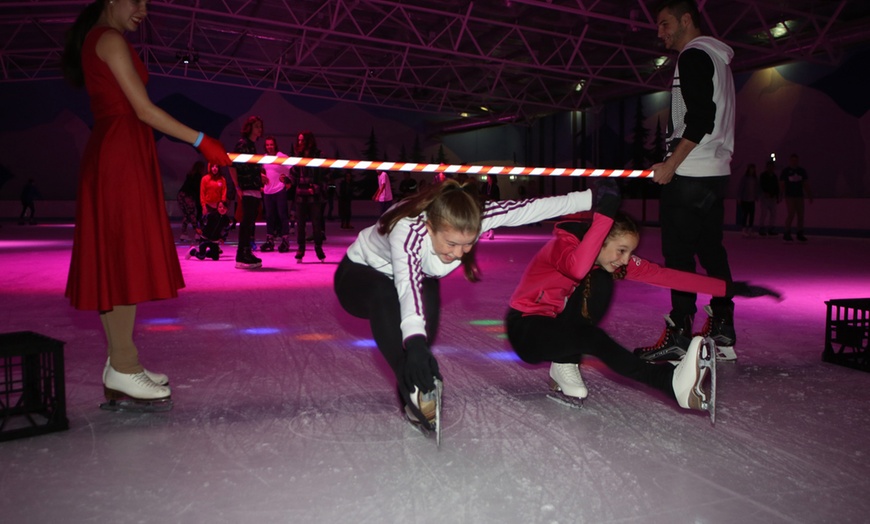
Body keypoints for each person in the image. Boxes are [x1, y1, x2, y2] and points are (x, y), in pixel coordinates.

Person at [61, 0, 230, 410]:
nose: (144, 9)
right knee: (123, 257)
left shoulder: (99, 38)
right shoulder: (110, 39)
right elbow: (144, 110)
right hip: (120, 152)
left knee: (116, 257)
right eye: (136, 0)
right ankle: (123, 363)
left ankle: (121, 363)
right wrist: (200, 140)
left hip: (118, 148)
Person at [333, 180, 595, 431]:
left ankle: (418, 386)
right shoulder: (408, 230)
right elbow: (407, 286)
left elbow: (529, 208)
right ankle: (412, 385)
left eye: (468, 244)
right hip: (358, 277)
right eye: (452, 244)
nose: (459, 254)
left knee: (426, 313)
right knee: (389, 300)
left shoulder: (473, 216)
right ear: (430, 228)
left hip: (415, 277)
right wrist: (414, 343)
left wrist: (591, 199)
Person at [506, 199, 780, 410]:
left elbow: (668, 276)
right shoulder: (561, 247)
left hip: (560, 326)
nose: (626, 260)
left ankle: (563, 360)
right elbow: (576, 268)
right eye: (621, 250)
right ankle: (666, 381)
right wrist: (604, 215)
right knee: (592, 332)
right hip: (526, 327)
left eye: (630, 252)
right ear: (599, 240)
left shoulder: (610, 261)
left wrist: (730, 289)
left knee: (602, 279)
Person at [636, 0, 737, 362]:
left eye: (665, 24)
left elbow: (701, 119)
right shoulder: (717, 59)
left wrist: (671, 164)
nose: (660, 33)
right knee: (711, 251)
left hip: (691, 173)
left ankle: (680, 332)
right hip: (715, 173)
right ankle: (723, 326)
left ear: (686, 20)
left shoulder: (693, 55)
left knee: (678, 256)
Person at [228, 115, 266, 269]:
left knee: (250, 222)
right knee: (246, 222)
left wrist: (260, 176)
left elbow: (250, 168)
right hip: (247, 188)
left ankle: (246, 251)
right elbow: (232, 165)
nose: (259, 129)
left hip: (254, 187)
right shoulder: (243, 144)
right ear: (249, 128)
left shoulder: (251, 145)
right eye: (256, 126)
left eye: (260, 126)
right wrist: (238, 187)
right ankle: (241, 254)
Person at [291, 131, 326, 262]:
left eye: (302, 140)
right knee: (300, 224)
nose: (300, 143)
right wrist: (287, 180)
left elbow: (325, 174)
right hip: (301, 194)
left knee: (316, 223)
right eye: (299, 140)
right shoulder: (298, 156)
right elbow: (294, 173)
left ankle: (318, 248)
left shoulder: (319, 155)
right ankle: (301, 249)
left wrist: (318, 186)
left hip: (314, 195)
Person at [260, 136, 292, 253]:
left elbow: (293, 168)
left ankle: (285, 240)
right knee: (269, 216)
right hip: (267, 191)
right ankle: (270, 240)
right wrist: (261, 176)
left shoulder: (281, 156)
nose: (269, 147)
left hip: (279, 190)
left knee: (282, 215)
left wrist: (287, 179)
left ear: (275, 145)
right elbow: (261, 171)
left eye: (271, 144)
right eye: (267, 145)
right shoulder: (264, 158)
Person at [780, 154, 812, 242]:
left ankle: (799, 232)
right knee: (791, 213)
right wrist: (781, 194)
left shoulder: (801, 171)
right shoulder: (786, 171)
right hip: (790, 196)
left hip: (799, 196)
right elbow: (782, 184)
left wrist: (809, 194)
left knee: (801, 215)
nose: (794, 162)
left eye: (796, 160)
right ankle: (787, 232)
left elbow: (805, 183)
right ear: (790, 161)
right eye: (793, 160)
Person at [177, 160, 204, 242]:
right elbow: (197, 190)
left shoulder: (190, 175)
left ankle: (184, 233)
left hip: (180, 195)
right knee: (191, 214)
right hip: (188, 196)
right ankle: (197, 232)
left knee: (187, 214)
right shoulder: (198, 177)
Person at [758, 160, 779, 237]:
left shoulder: (774, 176)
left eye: (772, 167)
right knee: (764, 213)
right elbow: (762, 185)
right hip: (765, 197)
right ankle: (761, 228)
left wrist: (777, 196)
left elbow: (776, 187)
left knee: (773, 213)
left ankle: (771, 228)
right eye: (769, 166)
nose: (771, 168)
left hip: (773, 197)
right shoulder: (763, 175)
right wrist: (765, 193)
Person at [737, 163, 758, 237]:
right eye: (751, 169)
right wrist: (739, 198)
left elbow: (756, 188)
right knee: (745, 215)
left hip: (752, 200)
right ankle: (743, 229)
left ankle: (750, 229)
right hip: (745, 199)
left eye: (753, 169)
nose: (752, 170)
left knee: (752, 215)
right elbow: (740, 188)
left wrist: (756, 196)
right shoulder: (744, 178)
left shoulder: (755, 179)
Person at [480, 175, 501, 239]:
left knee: (491, 217)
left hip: (492, 204)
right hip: (485, 203)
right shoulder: (484, 186)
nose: (487, 178)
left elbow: (497, 197)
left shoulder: (495, 187)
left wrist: (494, 200)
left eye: (488, 177)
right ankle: (484, 231)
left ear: (491, 178)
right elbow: (482, 194)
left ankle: (491, 231)